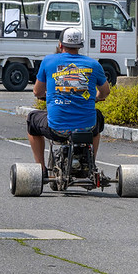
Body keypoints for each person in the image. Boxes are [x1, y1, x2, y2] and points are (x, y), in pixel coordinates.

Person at [27, 27, 110, 174]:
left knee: (32, 119)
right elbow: (105, 92)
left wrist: (46, 96)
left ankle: (40, 168)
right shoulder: (93, 65)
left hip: (57, 129)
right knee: (97, 118)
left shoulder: (49, 61)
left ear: (60, 45)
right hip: (86, 129)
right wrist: (97, 98)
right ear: (80, 46)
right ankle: (91, 164)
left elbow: (37, 91)